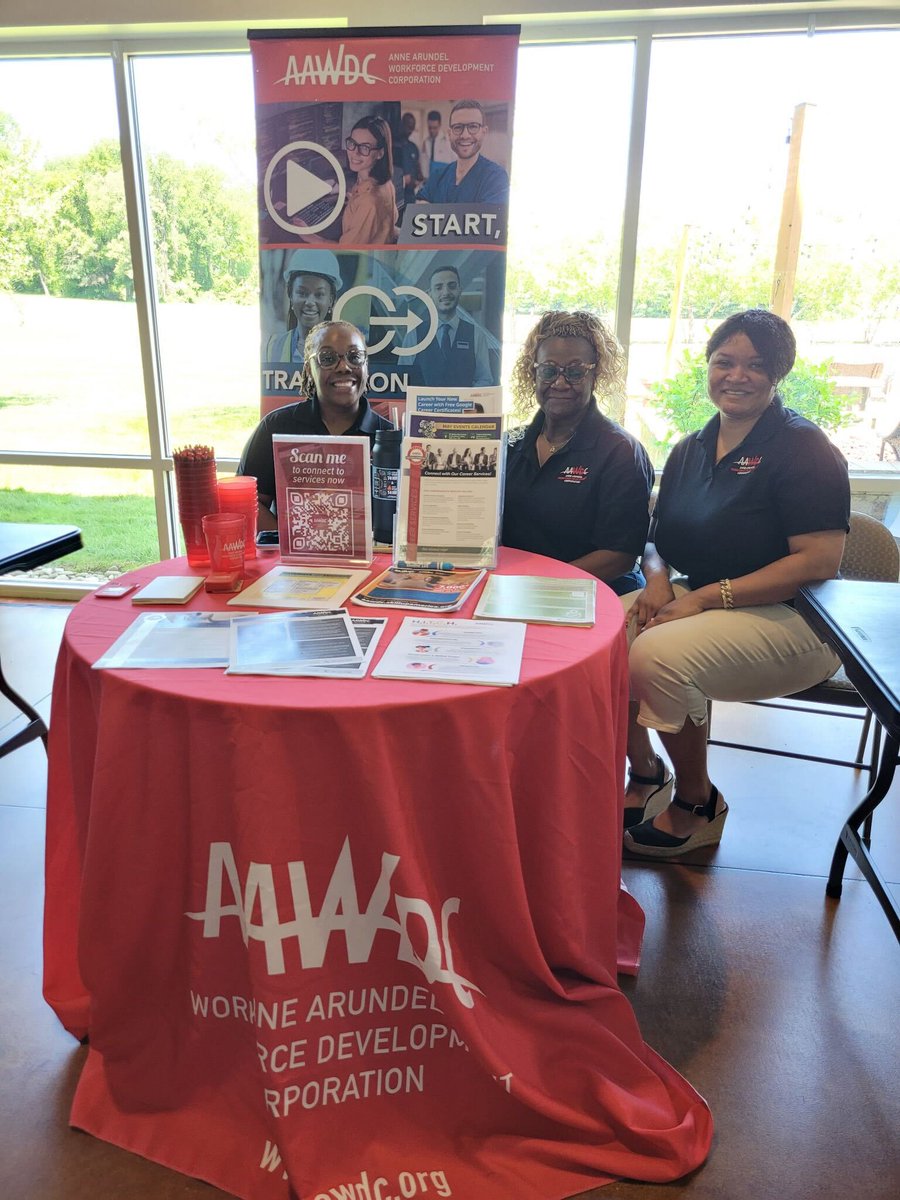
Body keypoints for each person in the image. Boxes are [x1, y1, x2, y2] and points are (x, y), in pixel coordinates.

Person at [622, 309, 850, 857]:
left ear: (778, 373)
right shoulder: (690, 448)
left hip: (798, 618)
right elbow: (655, 539)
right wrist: (657, 579)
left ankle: (698, 803)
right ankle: (647, 771)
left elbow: (818, 561)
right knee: (605, 630)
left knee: (657, 654)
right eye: (724, 362)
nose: (737, 376)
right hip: (704, 601)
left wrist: (703, 598)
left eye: (755, 365)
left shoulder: (804, 447)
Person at [503, 311, 655, 597]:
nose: (560, 383)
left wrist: (541, 586)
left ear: (595, 375)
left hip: (596, 593)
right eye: (549, 370)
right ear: (533, 373)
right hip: (515, 591)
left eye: (575, 372)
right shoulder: (508, 445)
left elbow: (619, 556)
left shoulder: (620, 451)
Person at [239, 321, 394, 530]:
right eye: (327, 358)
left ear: (366, 366)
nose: (344, 367)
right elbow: (248, 502)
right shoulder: (276, 427)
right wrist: (291, 541)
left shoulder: (391, 438)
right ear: (309, 369)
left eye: (355, 356)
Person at [411, 264, 496, 387]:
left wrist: (466, 397)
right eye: (439, 287)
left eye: (452, 286)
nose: (446, 292)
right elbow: (403, 379)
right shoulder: (414, 335)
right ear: (430, 294)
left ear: (460, 290)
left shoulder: (476, 335)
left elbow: (485, 380)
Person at [417, 100, 509, 205]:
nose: (465, 135)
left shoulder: (495, 177)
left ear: (484, 132)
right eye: (458, 127)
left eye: (473, 126)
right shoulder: (438, 176)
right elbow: (421, 202)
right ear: (449, 133)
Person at [265, 250, 342, 364]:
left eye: (319, 294)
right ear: (291, 296)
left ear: (331, 301)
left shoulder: (343, 347)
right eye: (302, 293)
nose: (310, 302)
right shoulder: (274, 346)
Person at [339, 116, 399, 245]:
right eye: (352, 143)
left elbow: (347, 249)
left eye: (365, 147)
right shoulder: (386, 184)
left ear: (380, 153)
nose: (355, 153)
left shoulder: (369, 200)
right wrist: (355, 201)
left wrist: (313, 238)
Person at [394, 111, 422, 209]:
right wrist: (403, 180)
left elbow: (418, 171)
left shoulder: (413, 148)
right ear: (401, 125)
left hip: (410, 198)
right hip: (396, 197)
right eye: (407, 126)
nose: (409, 130)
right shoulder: (393, 146)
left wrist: (419, 179)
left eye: (412, 128)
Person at [418, 110, 453, 180]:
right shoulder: (426, 142)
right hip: (429, 180)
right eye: (430, 128)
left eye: (435, 128)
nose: (432, 131)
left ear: (440, 125)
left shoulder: (448, 142)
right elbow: (424, 166)